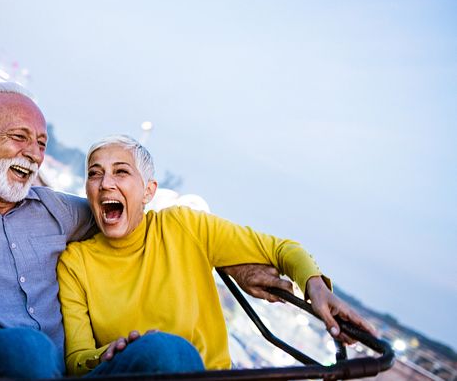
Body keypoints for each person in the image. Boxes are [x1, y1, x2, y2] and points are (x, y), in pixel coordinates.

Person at [0, 80, 294, 380]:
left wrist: (233, 259)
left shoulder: (60, 210)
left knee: (168, 352)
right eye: (19, 137)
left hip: (72, 373)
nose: (34, 154)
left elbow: (132, 216)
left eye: (40, 143)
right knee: (27, 348)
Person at [57, 135, 376, 376]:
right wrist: (109, 354)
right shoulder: (75, 263)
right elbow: (76, 361)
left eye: (120, 172)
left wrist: (316, 288)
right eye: (95, 174)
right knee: (162, 352)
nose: (105, 184)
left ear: (149, 192)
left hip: (211, 375)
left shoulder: (183, 226)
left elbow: (281, 249)